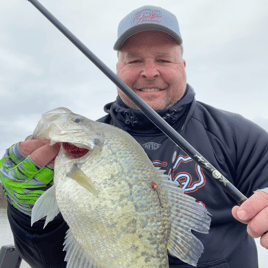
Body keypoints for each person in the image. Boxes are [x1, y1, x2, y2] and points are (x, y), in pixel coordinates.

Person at [1, 5, 268, 268]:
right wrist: (26, 213)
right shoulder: (67, 153)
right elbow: (49, 260)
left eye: (163, 59)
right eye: (134, 60)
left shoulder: (238, 135)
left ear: (183, 65)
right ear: (118, 68)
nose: (150, 72)